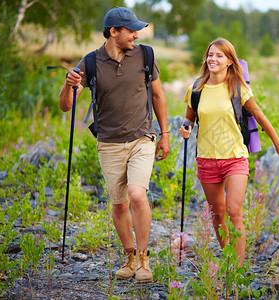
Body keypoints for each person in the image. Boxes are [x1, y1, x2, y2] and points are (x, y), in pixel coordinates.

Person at [59, 7, 170, 282]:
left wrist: (164, 133)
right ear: (113, 32)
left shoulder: (145, 55)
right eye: (130, 30)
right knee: (119, 205)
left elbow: (158, 96)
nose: (136, 34)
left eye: (136, 30)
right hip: (108, 143)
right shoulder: (90, 63)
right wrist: (67, 84)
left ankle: (144, 259)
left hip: (142, 137)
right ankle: (130, 256)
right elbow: (66, 106)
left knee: (136, 194)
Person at [179, 38, 279, 266]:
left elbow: (259, 116)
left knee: (233, 211)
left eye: (219, 55)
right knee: (218, 214)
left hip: (235, 158)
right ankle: (228, 257)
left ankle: (237, 267)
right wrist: (186, 127)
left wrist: (277, 143)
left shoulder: (238, 88)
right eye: (210, 55)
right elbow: (190, 117)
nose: (213, 59)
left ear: (230, 61)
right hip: (206, 159)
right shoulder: (196, 88)